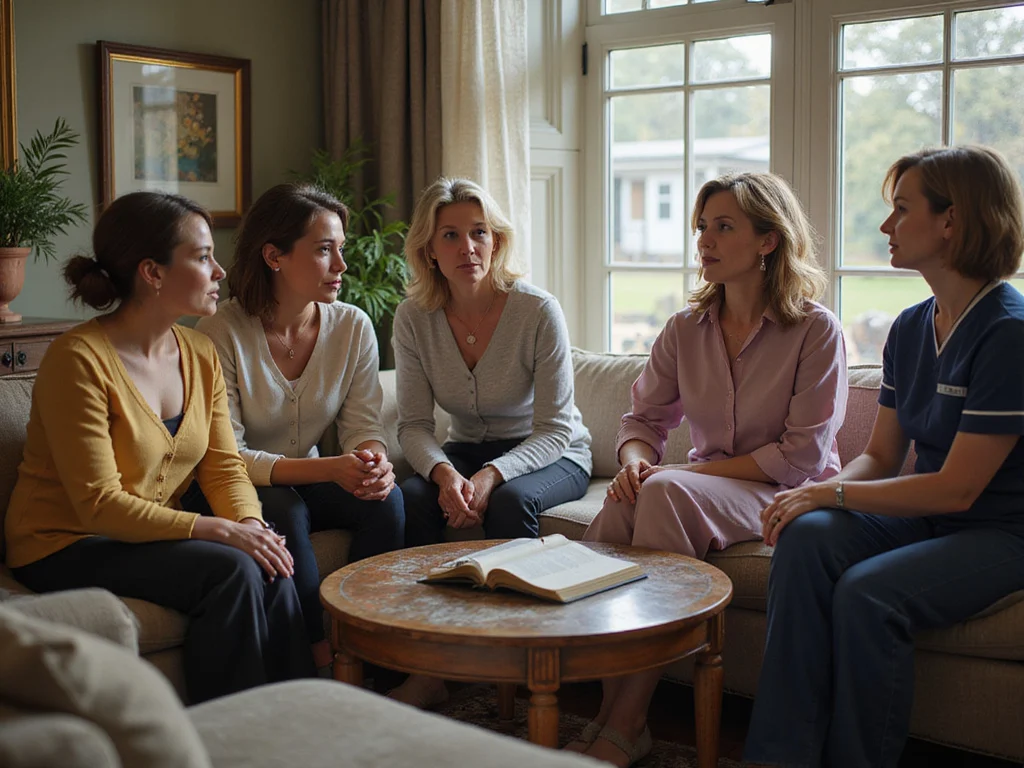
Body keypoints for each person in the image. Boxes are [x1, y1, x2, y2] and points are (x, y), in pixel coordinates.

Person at [742, 145, 1024, 768]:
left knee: (869, 592)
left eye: (901, 209)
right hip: (934, 514)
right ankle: (778, 758)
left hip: (1002, 531)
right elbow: (882, 455)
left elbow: (957, 490)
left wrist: (828, 490)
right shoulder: (910, 325)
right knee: (807, 536)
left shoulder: (1009, 332)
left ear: (952, 221)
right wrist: (813, 497)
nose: (886, 226)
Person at [577, 172, 847, 767]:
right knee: (629, 499)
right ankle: (604, 708)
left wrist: (685, 475)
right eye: (702, 227)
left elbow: (801, 455)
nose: (705, 240)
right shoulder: (684, 330)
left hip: (786, 492)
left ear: (768, 241)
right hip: (702, 490)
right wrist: (633, 464)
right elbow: (642, 421)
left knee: (669, 491)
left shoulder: (815, 330)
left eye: (724, 227)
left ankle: (627, 720)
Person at [4, 191, 314, 703]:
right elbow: (98, 504)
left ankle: (296, 714)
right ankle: (226, 735)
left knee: (269, 555)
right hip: (64, 542)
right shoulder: (78, 360)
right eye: (202, 256)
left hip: (140, 532)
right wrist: (218, 530)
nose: (219, 271)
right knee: (231, 567)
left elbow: (223, 468)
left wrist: (251, 525)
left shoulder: (198, 351)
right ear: (152, 272)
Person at [389, 176, 592, 706]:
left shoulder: (537, 310)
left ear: (496, 241)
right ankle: (430, 665)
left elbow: (556, 428)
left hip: (554, 451)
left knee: (508, 502)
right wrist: (444, 475)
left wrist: (490, 475)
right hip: (467, 448)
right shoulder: (414, 317)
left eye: (479, 233)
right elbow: (412, 425)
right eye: (450, 236)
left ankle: (524, 663)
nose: (468, 248)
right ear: (429, 249)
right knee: (409, 500)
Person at [195, 183, 404, 671]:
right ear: (274, 256)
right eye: (324, 250)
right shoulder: (220, 333)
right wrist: (334, 468)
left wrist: (372, 460)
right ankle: (319, 656)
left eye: (341, 250)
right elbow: (230, 455)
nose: (341, 266)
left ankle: (375, 648)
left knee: (387, 500)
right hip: (240, 486)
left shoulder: (352, 327)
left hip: (313, 474)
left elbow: (362, 423)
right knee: (283, 510)